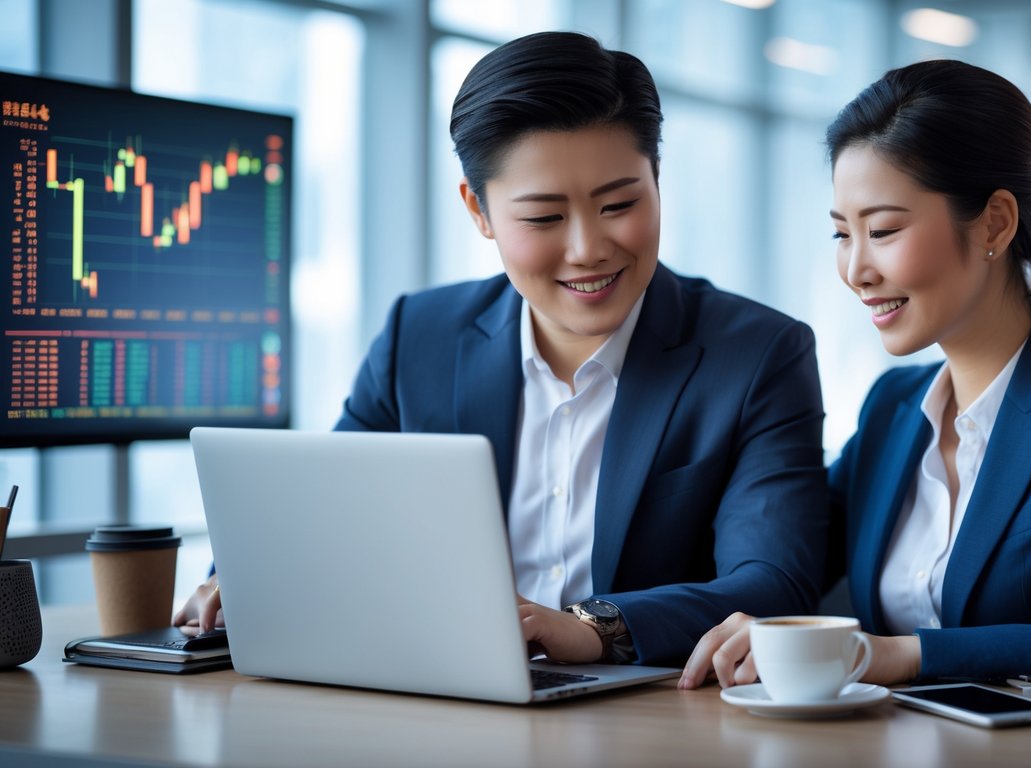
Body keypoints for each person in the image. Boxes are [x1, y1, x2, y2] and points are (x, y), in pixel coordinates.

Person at [174, 31, 828, 667]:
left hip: (648, 718)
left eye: (619, 204)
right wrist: (249, 575)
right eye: (543, 218)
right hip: (435, 700)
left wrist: (591, 628)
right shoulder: (420, 335)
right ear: (479, 211)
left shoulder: (758, 354)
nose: (586, 248)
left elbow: (774, 584)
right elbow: (317, 512)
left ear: (656, 180)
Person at [680, 59, 1031, 689]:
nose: (856, 269)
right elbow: (781, 570)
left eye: (884, 230)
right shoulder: (892, 409)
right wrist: (604, 625)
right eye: (843, 234)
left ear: (995, 224)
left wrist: (902, 655)